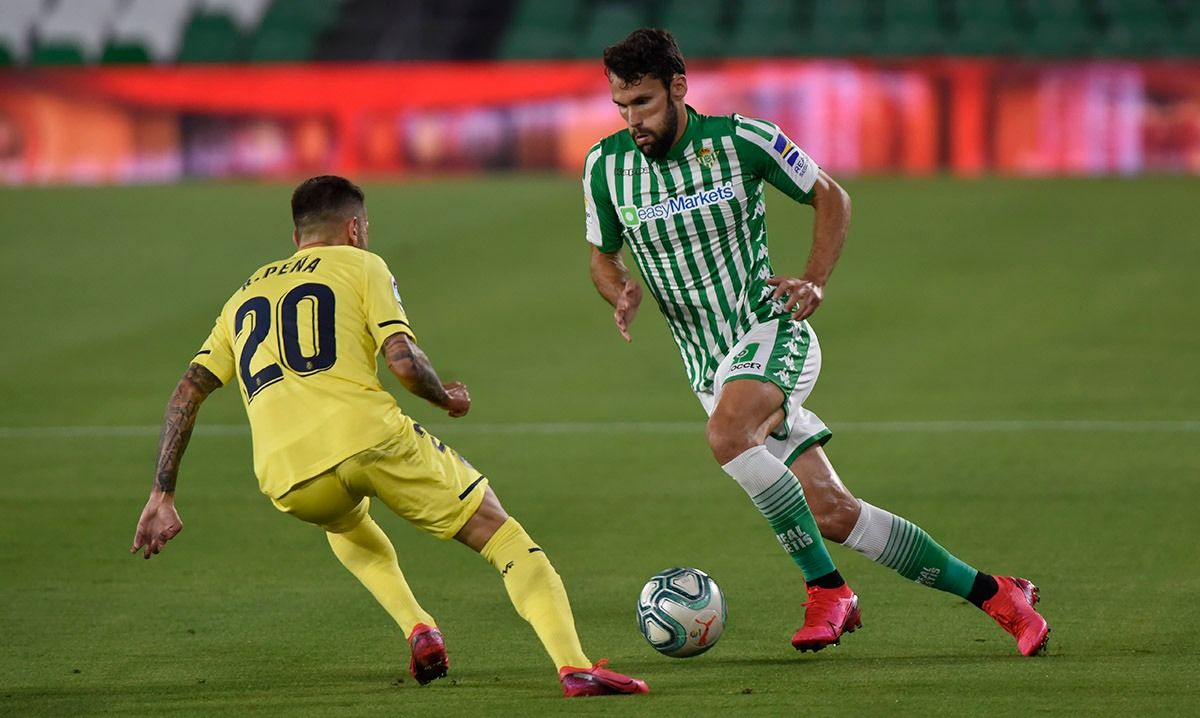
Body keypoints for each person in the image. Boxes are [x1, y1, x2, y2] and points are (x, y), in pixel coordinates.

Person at [583, 29, 1050, 656]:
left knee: (728, 437)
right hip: (709, 368)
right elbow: (601, 257)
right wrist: (618, 290)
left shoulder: (742, 140)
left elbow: (830, 195)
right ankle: (997, 593)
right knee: (833, 511)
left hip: (772, 331)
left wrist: (815, 279)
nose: (632, 119)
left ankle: (826, 588)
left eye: (642, 102)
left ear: (677, 88)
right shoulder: (605, 166)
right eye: (621, 106)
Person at [131, 175, 649, 698]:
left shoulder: (242, 295)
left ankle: (418, 626)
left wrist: (162, 493)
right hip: (369, 439)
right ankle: (574, 666)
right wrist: (445, 397)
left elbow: (186, 392)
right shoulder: (363, 264)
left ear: (296, 238)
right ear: (354, 228)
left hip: (286, 477)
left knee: (344, 523)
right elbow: (402, 361)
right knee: (502, 534)